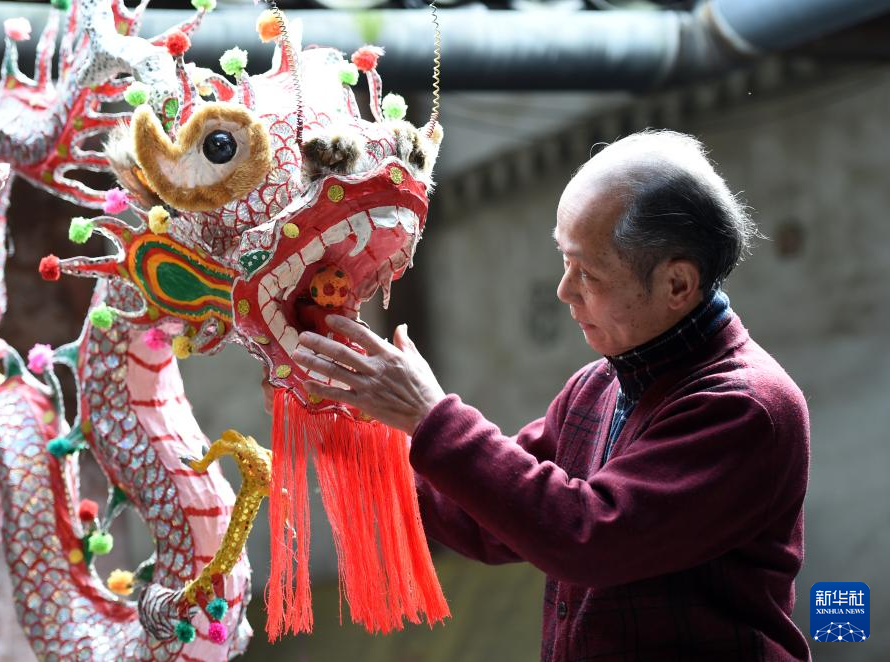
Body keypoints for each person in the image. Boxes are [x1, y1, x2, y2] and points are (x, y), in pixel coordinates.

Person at [290, 130, 811, 661]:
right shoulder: (597, 386)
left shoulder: (746, 405)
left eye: (588, 272)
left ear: (677, 284)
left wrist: (431, 416)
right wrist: (341, 423)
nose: (564, 290)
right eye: (564, 260)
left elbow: (585, 536)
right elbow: (487, 515)